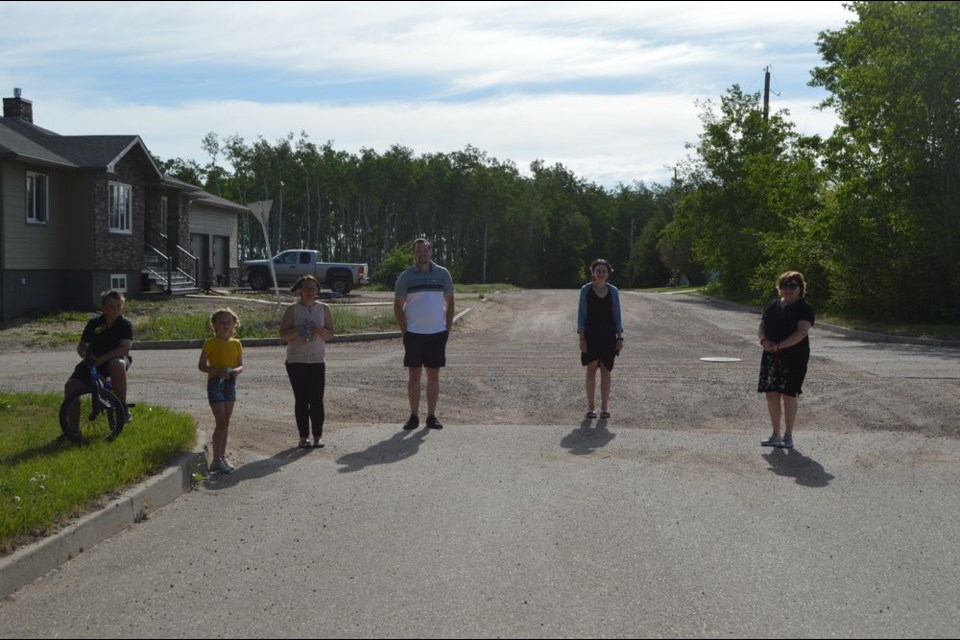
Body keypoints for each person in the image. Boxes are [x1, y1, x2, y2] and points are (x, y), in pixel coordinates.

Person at [393, 237, 454, 430]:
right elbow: (397, 306)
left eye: (425, 250)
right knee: (414, 375)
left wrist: (447, 328)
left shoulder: (443, 274)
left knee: (433, 375)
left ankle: (431, 416)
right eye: (418, 251)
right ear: (413, 254)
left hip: (437, 333)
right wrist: (405, 331)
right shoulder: (406, 276)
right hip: (414, 334)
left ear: (430, 252)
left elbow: (451, 302)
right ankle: (413, 416)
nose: (422, 254)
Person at [757, 271, 815, 449]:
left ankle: (788, 436)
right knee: (771, 393)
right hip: (771, 354)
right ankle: (775, 434)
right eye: (785, 286)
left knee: (789, 395)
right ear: (779, 288)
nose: (788, 289)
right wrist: (764, 341)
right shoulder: (772, 305)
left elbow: (801, 332)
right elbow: (762, 325)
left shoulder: (803, 308)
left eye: (793, 286)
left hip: (794, 357)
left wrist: (780, 345)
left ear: (800, 288)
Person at [64, 290, 133, 429]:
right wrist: (87, 356)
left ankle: (122, 408)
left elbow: (124, 348)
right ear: (103, 308)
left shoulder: (125, 324)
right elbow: (82, 346)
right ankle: (72, 431)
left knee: (118, 364)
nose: (115, 310)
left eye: (119, 306)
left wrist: (101, 359)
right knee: (71, 386)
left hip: (113, 360)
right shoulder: (94, 323)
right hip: (92, 362)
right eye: (112, 306)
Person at [279, 275, 334, 449]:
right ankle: (303, 437)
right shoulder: (292, 310)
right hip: (296, 360)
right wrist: (297, 330)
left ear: (318, 290)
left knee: (317, 400)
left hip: (317, 360)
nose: (310, 291)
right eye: (306, 288)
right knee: (301, 400)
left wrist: (321, 330)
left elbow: (331, 334)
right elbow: (283, 334)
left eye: (313, 288)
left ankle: (317, 436)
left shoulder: (324, 309)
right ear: (300, 291)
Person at [198, 308, 244, 473]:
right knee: (221, 421)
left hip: (230, 382)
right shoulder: (210, 343)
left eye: (229, 322)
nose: (225, 325)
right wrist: (216, 371)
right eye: (222, 322)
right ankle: (216, 458)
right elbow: (201, 365)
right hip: (215, 382)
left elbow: (240, 364)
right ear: (215, 324)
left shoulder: (236, 343)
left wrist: (236, 371)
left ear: (234, 324)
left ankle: (222, 457)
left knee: (226, 423)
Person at [577, 258, 624, 419]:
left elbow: (617, 315)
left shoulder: (613, 291)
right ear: (593, 272)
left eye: (604, 271)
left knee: (606, 370)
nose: (601, 274)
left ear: (608, 273)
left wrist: (620, 337)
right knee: (591, 370)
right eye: (598, 271)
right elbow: (581, 315)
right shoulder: (585, 290)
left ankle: (604, 407)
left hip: (608, 335)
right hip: (591, 335)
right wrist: (582, 338)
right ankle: (591, 407)